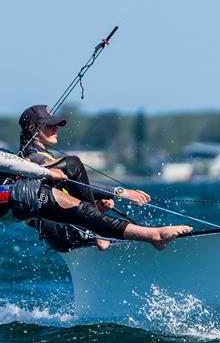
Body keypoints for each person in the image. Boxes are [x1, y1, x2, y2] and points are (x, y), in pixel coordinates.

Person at [0, 85, 191, 250]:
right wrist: (46, 172)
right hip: (10, 197)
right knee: (77, 195)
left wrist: (106, 194)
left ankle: (119, 233)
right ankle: (150, 236)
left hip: (4, 201)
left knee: (80, 208)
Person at [17, 105, 151, 252]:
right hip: (64, 231)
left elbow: (69, 189)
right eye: (49, 125)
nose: (55, 128)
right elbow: (74, 180)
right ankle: (98, 232)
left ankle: (97, 231)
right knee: (73, 164)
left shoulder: (34, 155)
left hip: (60, 233)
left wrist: (96, 204)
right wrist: (120, 192)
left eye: (56, 124)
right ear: (32, 129)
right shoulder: (35, 159)